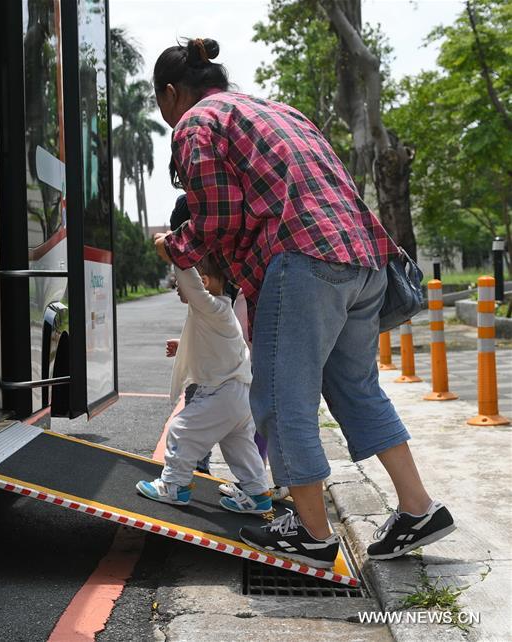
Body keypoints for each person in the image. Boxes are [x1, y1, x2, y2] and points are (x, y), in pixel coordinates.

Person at [151, 37, 454, 568]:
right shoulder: (277, 110)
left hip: (303, 259)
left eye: (162, 104)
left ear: (173, 93)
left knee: (280, 400)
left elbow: (217, 218)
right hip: (363, 258)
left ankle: (312, 534)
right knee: (356, 389)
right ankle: (418, 507)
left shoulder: (197, 123)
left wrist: (173, 248)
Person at [136, 254, 272, 515]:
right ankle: (257, 493)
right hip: (241, 394)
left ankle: (174, 486)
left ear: (204, 282)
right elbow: (219, 347)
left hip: (221, 393)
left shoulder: (210, 307)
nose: (177, 286)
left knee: (181, 430)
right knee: (239, 446)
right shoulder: (223, 309)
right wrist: (183, 345)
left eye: (178, 282)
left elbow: (191, 284)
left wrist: (176, 250)